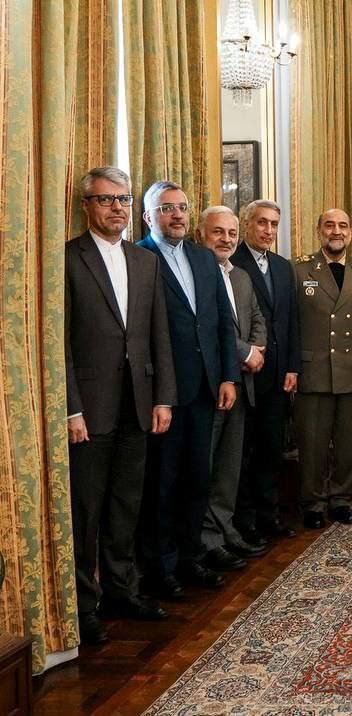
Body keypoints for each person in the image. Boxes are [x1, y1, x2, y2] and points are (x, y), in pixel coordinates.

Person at [65, 167, 176, 644]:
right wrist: (71, 408)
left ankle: (122, 591)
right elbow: (61, 341)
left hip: (139, 402)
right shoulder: (68, 258)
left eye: (124, 199)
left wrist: (163, 397)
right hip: (90, 409)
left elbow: (158, 335)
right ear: (86, 205)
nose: (117, 207)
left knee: (127, 505)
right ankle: (83, 606)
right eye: (106, 199)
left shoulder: (145, 260)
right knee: (87, 512)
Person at [136, 182, 239, 598]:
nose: (177, 214)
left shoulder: (203, 258)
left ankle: (190, 557)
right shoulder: (139, 258)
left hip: (205, 388)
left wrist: (228, 375)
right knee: (162, 484)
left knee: (198, 478)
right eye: (166, 208)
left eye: (181, 207)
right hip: (164, 391)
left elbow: (222, 322)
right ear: (148, 217)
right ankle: (160, 568)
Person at [294, 209, 352, 528]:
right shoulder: (299, 269)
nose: (336, 231)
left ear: (351, 232)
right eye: (329, 225)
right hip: (312, 370)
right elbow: (290, 324)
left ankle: (342, 499)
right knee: (313, 443)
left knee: (348, 443)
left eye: (343, 226)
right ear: (319, 231)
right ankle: (313, 503)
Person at [195, 207, 268, 571]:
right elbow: (206, 326)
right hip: (209, 387)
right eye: (218, 232)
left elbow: (257, 319)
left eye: (231, 233)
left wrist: (256, 350)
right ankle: (205, 540)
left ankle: (224, 530)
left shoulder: (239, 275)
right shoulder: (194, 273)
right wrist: (245, 353)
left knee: (228, 467)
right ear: (201, 234)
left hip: (241, 384)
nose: (226, 239)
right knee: (205, 467)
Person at [230, 199, 301, 543]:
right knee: (244, 453)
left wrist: (292, 367)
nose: (268, 230)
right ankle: (245, 522)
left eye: (274, 224)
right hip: (245, 375)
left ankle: (269, 515)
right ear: (246, 224)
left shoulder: (283, 266)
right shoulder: (231, 262)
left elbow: (291, 321)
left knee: (272, 449)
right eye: (261, 223)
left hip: (277, 376)